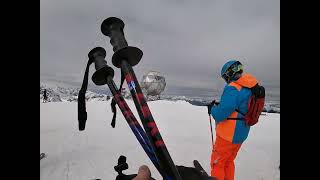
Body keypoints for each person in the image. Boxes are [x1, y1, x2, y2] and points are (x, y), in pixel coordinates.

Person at [207, 60, 259, 180]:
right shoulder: (250, 86)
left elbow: (221, 114)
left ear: (229, 73)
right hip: (241, 133)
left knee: (217, 163)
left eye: (225, 76)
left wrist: (213, 109)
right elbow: (240, 105)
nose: (226, 80)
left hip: (228, 135)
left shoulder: (233, 88)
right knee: (229, 161)